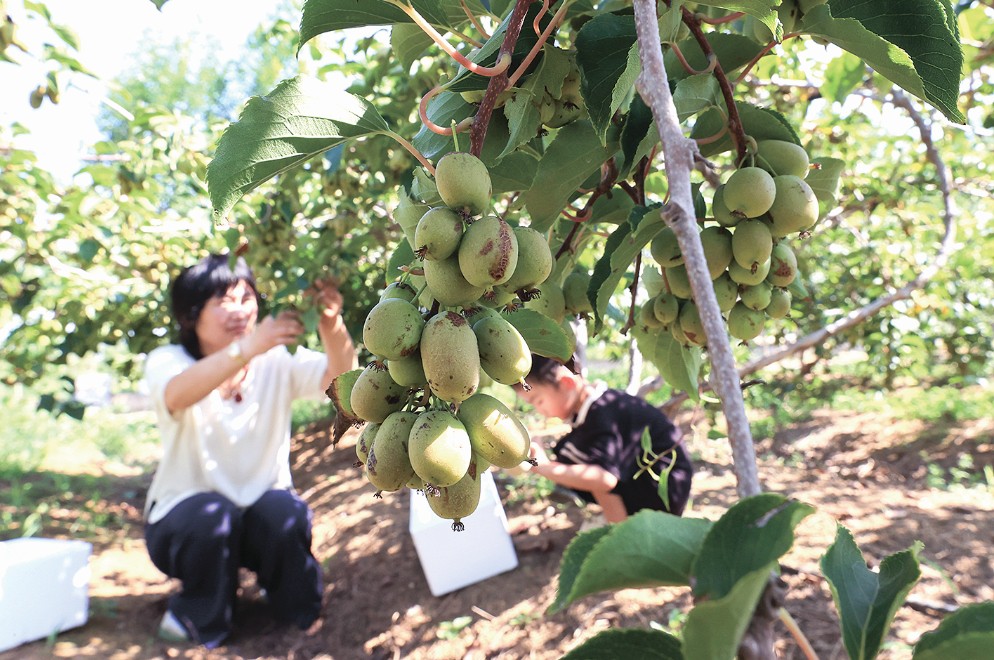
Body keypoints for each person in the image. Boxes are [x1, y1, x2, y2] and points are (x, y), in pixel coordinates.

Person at [141, 253, 357, 648]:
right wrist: (249, 348)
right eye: (222, 300)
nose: (239, 310)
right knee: (212, 518)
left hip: (258, 515)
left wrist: (330, 322)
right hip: (184, 521)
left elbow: (341, 379)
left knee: (284, 513)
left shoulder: (274, 361)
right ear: (191, 314)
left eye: (246, 298)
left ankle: (297, 609)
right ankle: (197, 614)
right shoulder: (167, 361)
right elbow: (177, 393)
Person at [512, 355, 693, 524]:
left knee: (586, 464)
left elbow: (604, 479)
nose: (538, 410)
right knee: (570, 453)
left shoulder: (602, 414)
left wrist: (542, 466)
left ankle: (621, 534)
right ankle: (619, 526)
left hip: (663, 492)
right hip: (657, 480)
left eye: (538, 401)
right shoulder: (600, 405)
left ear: (567, 383)